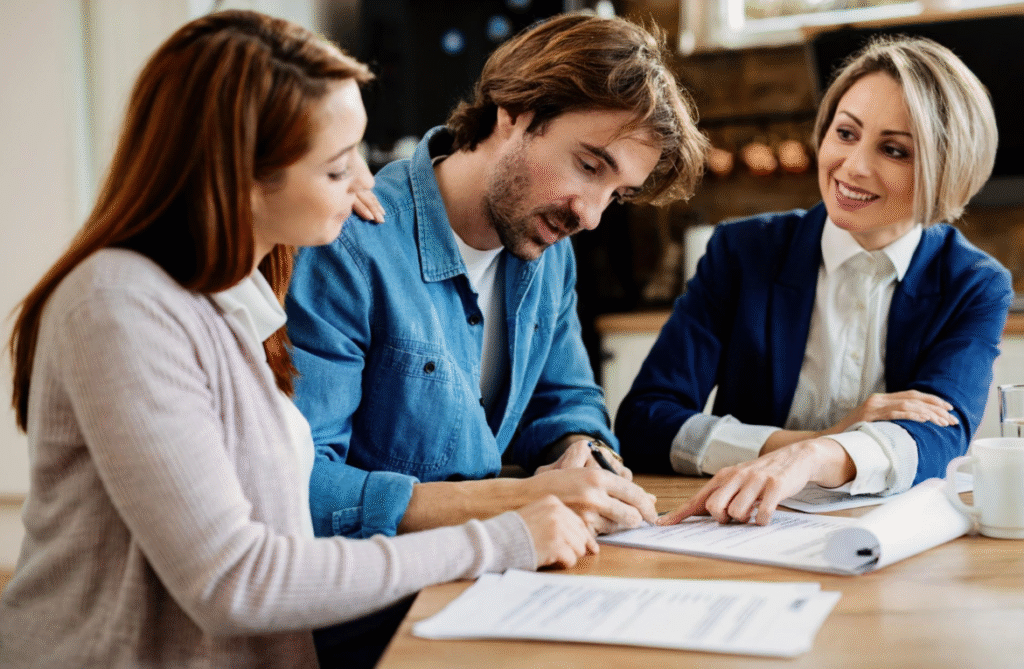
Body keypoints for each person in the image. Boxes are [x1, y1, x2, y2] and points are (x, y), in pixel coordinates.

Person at [0, 11, 598, 669]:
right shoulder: (119, 305)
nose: (371, 189)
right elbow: (237, 581)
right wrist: (500, 537)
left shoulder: (233, 301)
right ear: (242, 175)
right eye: (340, 168)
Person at [285, 12, 708, 544]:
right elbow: (300, 487)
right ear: (515, 113)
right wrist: (511, 500)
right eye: (589, 166)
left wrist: (583, 452)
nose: (591, 215)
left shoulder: (549, 250)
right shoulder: (349, 245)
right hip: (383, 604)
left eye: (616, 195)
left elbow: (565, 401)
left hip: (493, 572)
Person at [616, 35, 1012, 527]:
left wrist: (814, 459)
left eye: (893, 150)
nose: (852, 166)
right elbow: (646, 422)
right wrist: (807, 444)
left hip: (886, 542)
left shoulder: (973, 284)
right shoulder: (743, 253)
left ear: (945, 169)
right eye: (845, 133)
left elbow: (937, 441)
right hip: (739, 526)